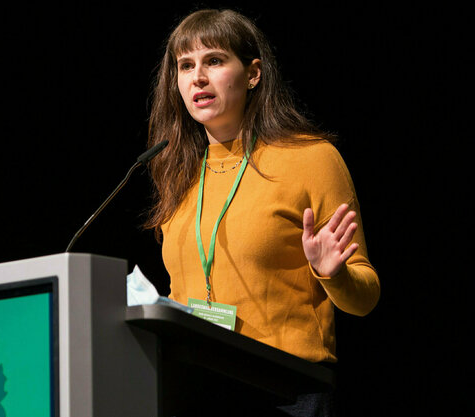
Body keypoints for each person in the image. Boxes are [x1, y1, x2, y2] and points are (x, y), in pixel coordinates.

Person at [144, 9, 381, 416]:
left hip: (285, 391)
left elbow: (365, 297)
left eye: (214, 61)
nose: (197, 77)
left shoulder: (311, 159)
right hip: (197, 388)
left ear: (253, 74)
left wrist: (333, 273)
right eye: (185, 66)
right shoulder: (177, 175)